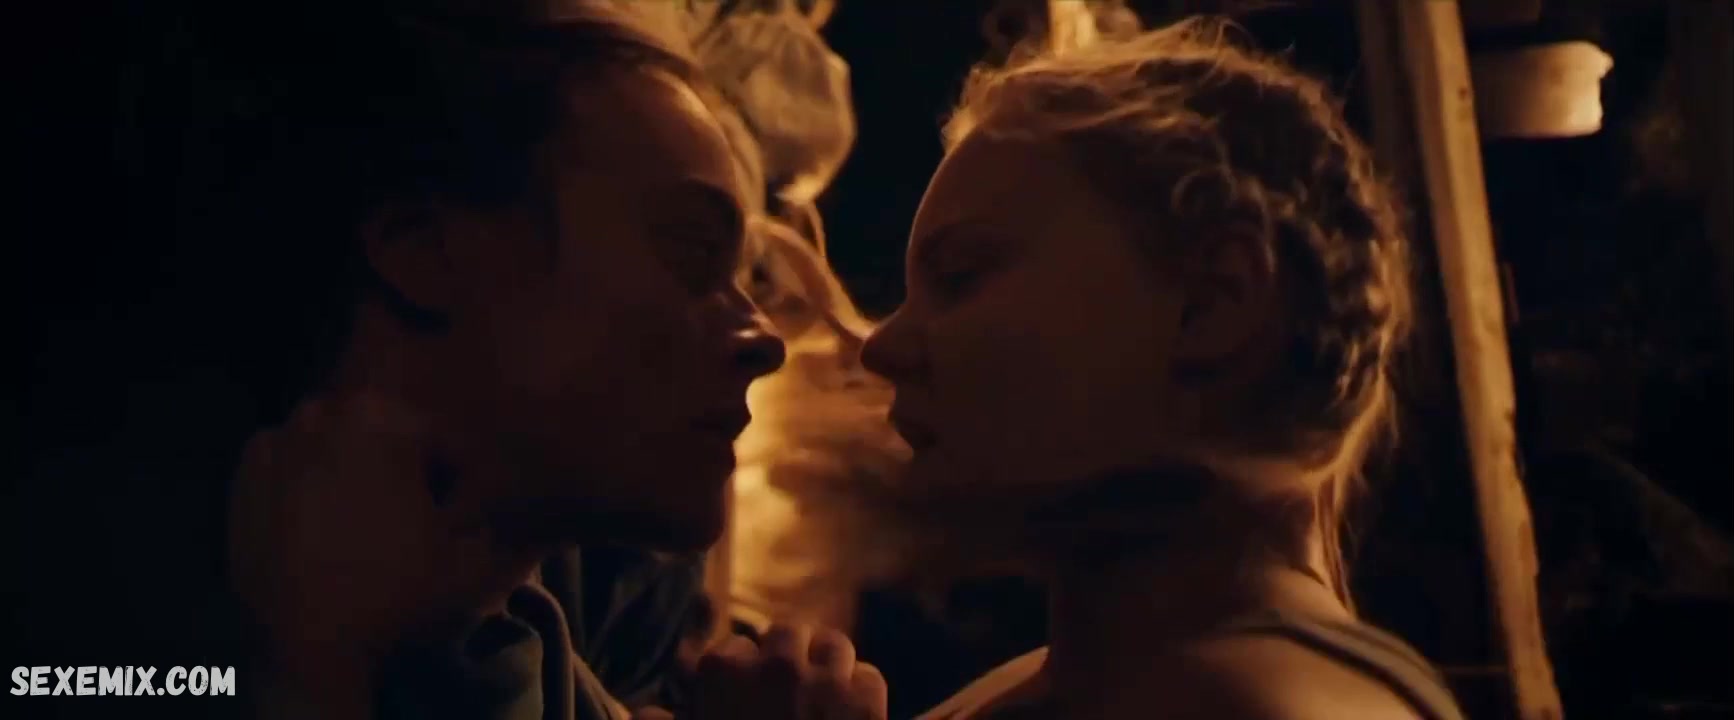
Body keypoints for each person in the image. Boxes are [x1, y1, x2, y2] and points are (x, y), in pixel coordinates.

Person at [19, 2, 887, 719]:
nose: (763, 338)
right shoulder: (87, 610)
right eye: (692, 251)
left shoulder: (516, 658)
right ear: (424, 248)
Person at [860, 18, 1465, 720]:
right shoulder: (1095, 682)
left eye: (961, 275)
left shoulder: (1246, 706)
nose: (882, 348)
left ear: (1213, 304)